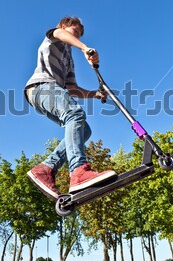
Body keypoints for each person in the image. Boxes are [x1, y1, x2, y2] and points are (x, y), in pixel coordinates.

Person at [25, 16, 117, 199]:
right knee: (75, 114)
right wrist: (85, 48)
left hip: (51, 91)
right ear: (64, 27)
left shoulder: (69, 60)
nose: (78, 37)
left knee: (84, 130)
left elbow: (72, 89)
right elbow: (60, 34)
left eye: (80, 35)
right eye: (76, 32)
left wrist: (94, 94)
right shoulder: (54, 35)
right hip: (41, 87)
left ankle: (46, 169)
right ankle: (78, 171)